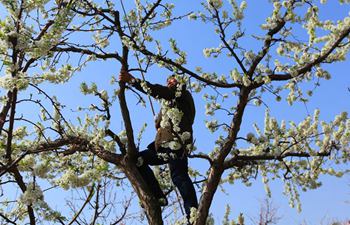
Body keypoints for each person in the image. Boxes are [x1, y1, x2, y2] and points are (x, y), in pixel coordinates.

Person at [119, 68, 198, 220]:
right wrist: (159, 122)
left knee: (179, 176)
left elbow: (159, 91)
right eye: (168, 81)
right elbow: (162, 117)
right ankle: (157, 195)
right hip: (162, 147)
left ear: (180, 83)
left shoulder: (181, 94)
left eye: (173, 80)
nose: (170, 82)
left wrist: (133, 81)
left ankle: (193, 215)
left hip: (177, 145)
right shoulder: (169, 103)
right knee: (138, 160)